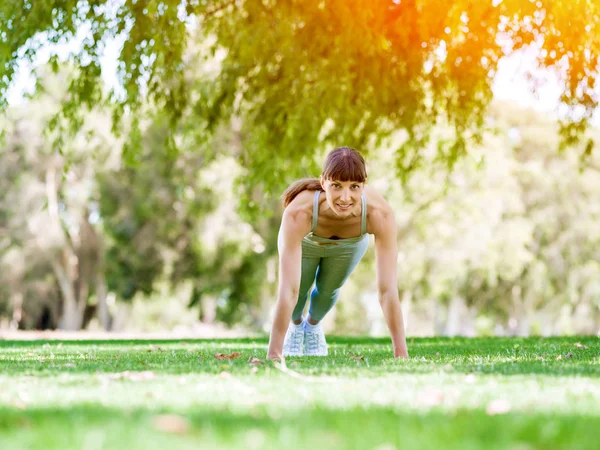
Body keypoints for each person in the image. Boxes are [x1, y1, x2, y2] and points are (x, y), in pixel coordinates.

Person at [266, 147, 409, 359]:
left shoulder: (380, 214)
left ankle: (313, 326)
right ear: (323, 183)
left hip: (349, 245)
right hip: (307, 242)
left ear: (364, 185)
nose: (345, 197)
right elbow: (288, 290)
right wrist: (274, 354)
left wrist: (401, 353)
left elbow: (387, 290)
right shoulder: (299, 213)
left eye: (354, 187)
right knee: (299, 288)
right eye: (336, 186)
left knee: (328, 289)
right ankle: (295, 327)